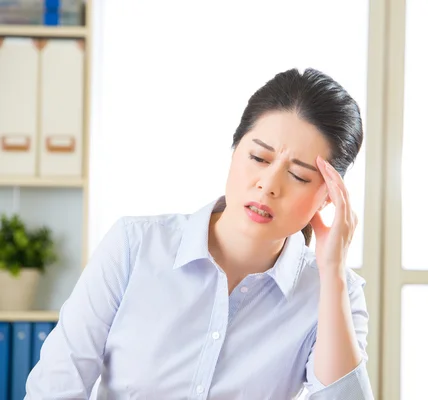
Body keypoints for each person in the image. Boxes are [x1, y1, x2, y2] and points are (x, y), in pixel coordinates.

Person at [25, 68, 374, 399]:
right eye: (259, 157)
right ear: (235, 149)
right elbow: (56, 387)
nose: (268, 185)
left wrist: (332, 275)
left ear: (328, 196)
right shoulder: (134, 246)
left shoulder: (337, 294)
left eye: (298, 176)